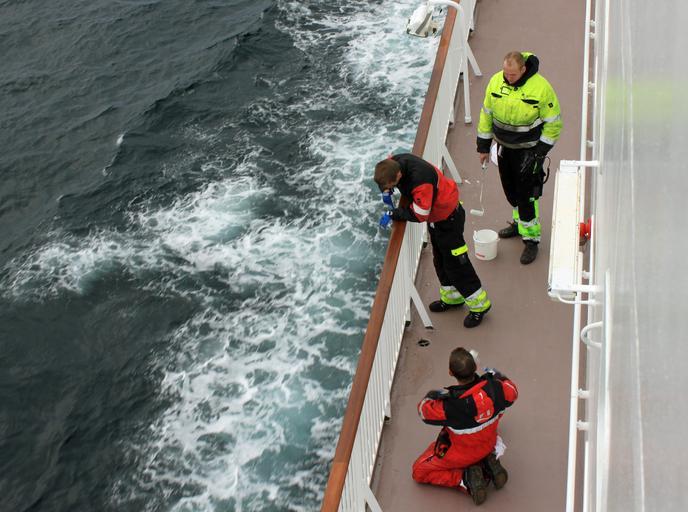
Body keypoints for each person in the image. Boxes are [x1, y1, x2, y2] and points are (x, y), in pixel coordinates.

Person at [374, 153, 491, 328]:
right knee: (441, 261)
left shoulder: (421, 182)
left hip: (449, 220)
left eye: (392, 185)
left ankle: (480, 306)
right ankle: (453, 298)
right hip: (437, 221)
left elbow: (420, 214)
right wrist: (386, 190)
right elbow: (387, 173)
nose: (392, 188)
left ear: (398, 175)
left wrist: (394, 213)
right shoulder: (394, 162)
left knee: (457, 264)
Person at [477, 51, 562, 264]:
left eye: (512, 74)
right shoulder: (496, 82)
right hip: (504, 148)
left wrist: (539, 152)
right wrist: (483, 146)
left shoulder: (541, 88)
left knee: (527, 196)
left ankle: (531, 239)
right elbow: (486, 114)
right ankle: (519, 224)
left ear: (523, 69)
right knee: (511, 191)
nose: (507, 78)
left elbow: (553, 123)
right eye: (505, 73)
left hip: (529, 151)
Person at [411, 347, 518, 506]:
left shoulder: (449, 406)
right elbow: (512, 390)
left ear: (450, 372)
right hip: (488, 444)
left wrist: (434, 394)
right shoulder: (497, 389)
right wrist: (496, 375)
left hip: (460, 455)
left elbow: (423, 410)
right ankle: (487, 463)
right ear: (475, 367)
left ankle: (465, 478)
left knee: (419, 471)